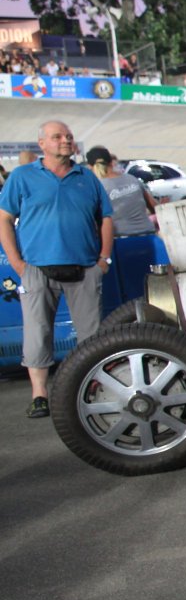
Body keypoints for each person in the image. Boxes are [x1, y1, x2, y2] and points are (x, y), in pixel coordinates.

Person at [0, 121, 114, 418]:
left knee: (91, 336)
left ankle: (92, 389)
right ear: (42, 144)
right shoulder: (22, 176)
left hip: (84, 268)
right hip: (37, 269)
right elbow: (4, 219)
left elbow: (106, 218)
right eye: (57, 136)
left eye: (69, 136)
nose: (66, 140)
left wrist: (103, 260)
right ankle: (39, 395)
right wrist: (17, 263)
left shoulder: (86, 178)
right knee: (37, 333)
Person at [86, 147, 157, 236]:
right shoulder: (132, 179)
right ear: (111, 162)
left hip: (120, 238)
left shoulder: (98, 188)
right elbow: (155, 208)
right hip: (149, 236)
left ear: (90, 167)